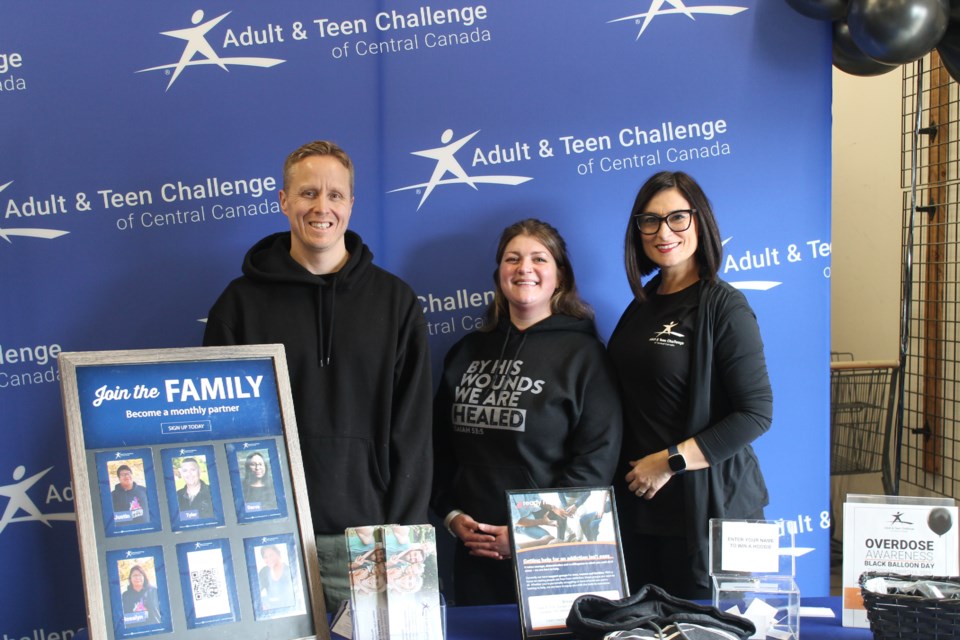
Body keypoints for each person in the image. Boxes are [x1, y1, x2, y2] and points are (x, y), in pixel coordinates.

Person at [203, 140, 432, 612]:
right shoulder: (238, 305)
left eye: (334, 195)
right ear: (284, 201)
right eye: (308, 193)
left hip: (370, 541)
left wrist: (402, 536)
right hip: (268, 538)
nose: (321, 207)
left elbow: (412, 429)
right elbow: (218, 432)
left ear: (351, 204)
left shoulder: (395, 302)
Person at [432, 218, 623, 605]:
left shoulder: (585, 357)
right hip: (475, 552)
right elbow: (436, 448)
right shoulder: (466, 352)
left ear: (560, 276)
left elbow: (595, 465)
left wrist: (526, 535)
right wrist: (451, 515)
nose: (524, 269)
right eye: (512, 258)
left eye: (539, 259)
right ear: (499, 272)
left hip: (552, 557)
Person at [608, 171, 773, 600]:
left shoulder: (724, 306)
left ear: (701, 222)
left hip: (710, 513)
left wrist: (669, 462)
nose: (664, 232)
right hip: (644, 511)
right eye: (650, 220)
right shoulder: (641, 304)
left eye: (677, 218)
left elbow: (755, 414)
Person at [258, 545, 296, 611]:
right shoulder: (263, 572)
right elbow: (255, 593)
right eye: (265, 557)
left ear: (279, 555)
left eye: (271, 555)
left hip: (289, 609)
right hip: (271, 610)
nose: (268, 559)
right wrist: (262, 604)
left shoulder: (289, 570)